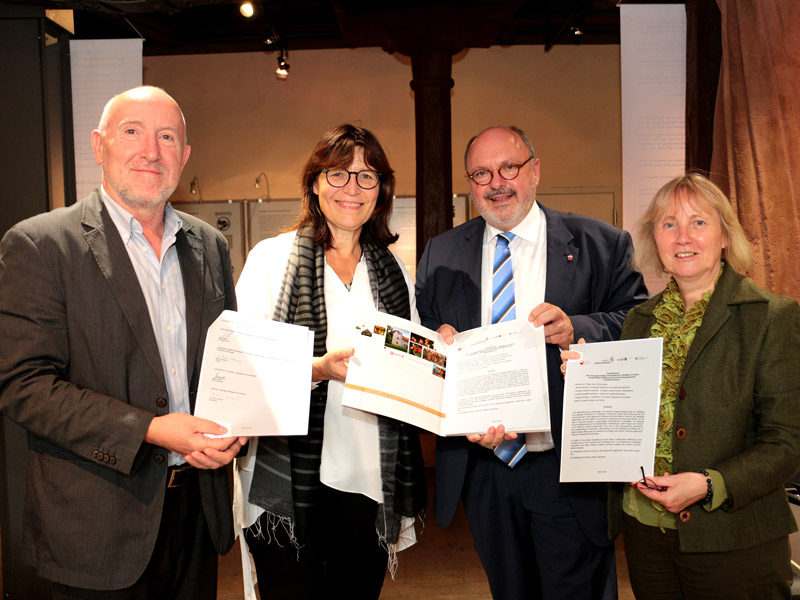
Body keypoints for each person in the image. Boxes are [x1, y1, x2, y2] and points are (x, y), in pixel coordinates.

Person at [0, 86, 246, 599]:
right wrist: (152, 430)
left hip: (197, 516)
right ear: (99, 145)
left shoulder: (210, 244)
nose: (150, 150)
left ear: (185, 155)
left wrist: (236, 426)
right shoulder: (41, 245)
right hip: (97, 527)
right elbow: (24, 387)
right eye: (132, 132)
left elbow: (227, 364)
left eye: (166, 136)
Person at [415, 125, 649, 600]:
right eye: (481, 173)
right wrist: (436, 347)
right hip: (485, 468)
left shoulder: (600, 243)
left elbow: (638, 322)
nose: (496, 182)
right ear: (470, 183)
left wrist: (578, 328)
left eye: (509, 168)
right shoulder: (441, 253)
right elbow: (427, 344)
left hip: (567, 466)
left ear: (535, 171)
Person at [569, 173, 800, 598]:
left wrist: (711, 484)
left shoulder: (771, 317)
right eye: (668, 224)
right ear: (654, 238)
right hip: (644, 535)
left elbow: (787, 444)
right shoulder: (638, 322)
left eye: (698, 222)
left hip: (733, 539)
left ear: (725, 235)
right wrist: (588, 385)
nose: (682, 237)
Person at [233, 124, 427, 600]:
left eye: (367, 176)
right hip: (287, 484)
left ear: (382, 190)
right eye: (339, 174)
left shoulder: (393, 270)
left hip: (369, 480)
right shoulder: (271, 260)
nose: (352, 189)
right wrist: (316, 369)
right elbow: (239, 367)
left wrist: (438, 355)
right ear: (315, 182)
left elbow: (414, 371)